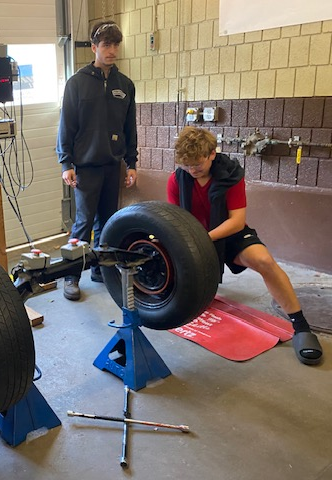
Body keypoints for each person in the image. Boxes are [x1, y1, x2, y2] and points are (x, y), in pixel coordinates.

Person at [168, 126, 323, 366]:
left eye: (197, 163)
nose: (192, 170)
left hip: (229, 233)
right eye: (187, 165)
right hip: (195, 235)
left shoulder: (231, 175)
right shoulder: (177, 180)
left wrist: (205, 239)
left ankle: (302, 327)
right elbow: (176, 219)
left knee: (264, 261)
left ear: (212, 153)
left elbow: (236, 221)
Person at [56, 20, 138, 301]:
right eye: (106, 44)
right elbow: (66, 125)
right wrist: (66, 163)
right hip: (86, 167)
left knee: (107, 222)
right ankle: (71, 275)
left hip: (112, 165)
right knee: (83, 223)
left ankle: (100, 270)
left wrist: (132, 163)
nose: (112, 50)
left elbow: (130, 128)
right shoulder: (77, 83)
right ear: (94, 47)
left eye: (116, 44)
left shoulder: (125, 84)